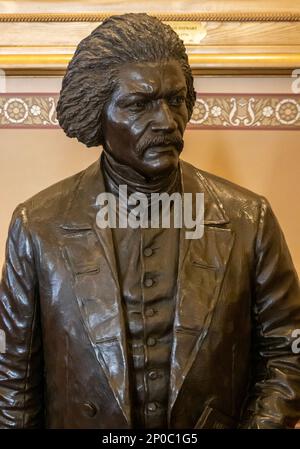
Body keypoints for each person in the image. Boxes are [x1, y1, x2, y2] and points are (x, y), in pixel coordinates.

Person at [0, 13, 299, 429]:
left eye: (175, 100)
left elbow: (287, 351)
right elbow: (13, 377)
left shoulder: (248, 218)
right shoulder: (38, 225)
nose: (165, 121)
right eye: (139, 105)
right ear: (96, 113)